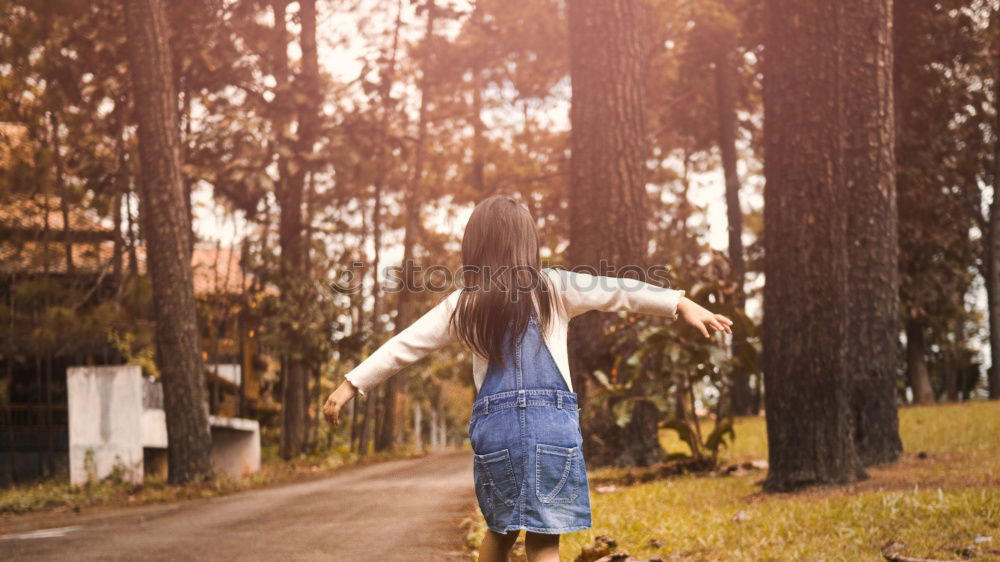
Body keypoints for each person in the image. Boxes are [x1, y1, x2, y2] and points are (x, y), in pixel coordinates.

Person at [322, 195, 733, 561]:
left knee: (500, 533)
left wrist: (350, 385)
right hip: (550, 428)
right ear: (527, 243)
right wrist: (681, 303)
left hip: (496, 432)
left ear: (475, 246)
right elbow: (618, 290)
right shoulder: (553, 286)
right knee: (543, 540)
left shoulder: (464, 301)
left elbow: (405, 344)